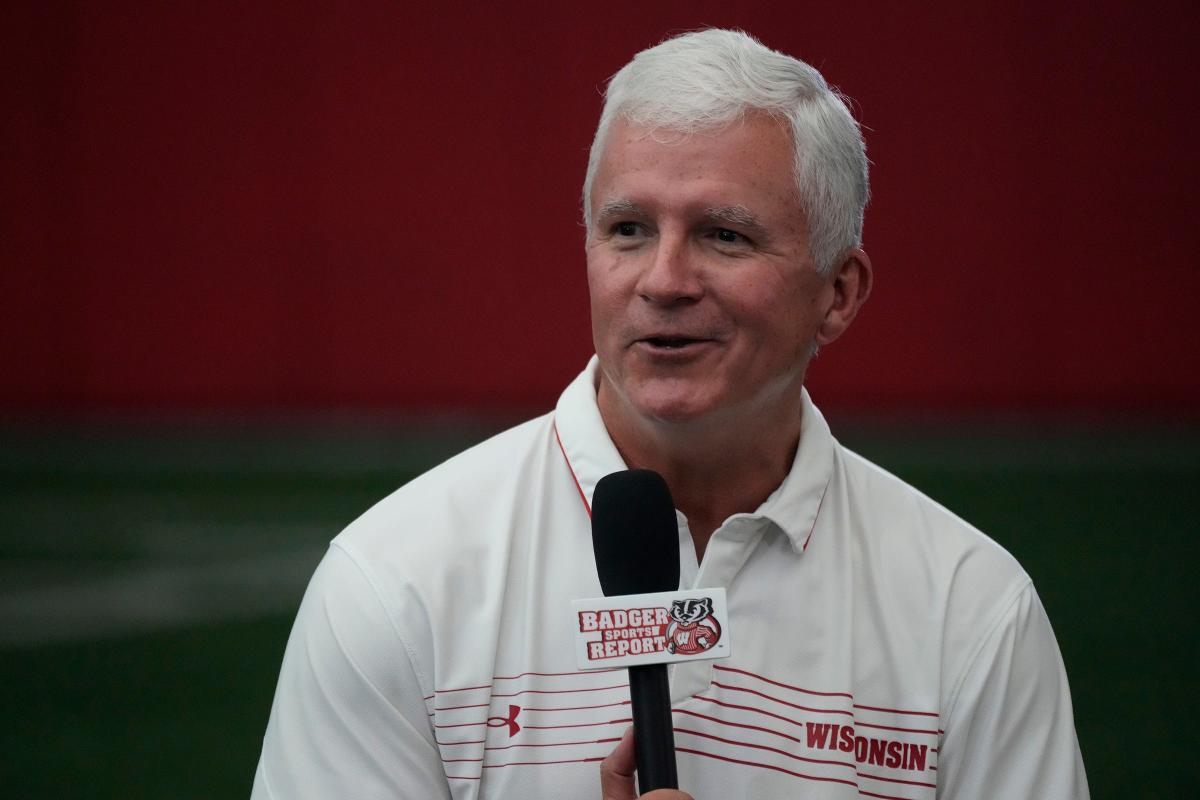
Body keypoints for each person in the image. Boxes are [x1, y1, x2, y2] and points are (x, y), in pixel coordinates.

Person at [251, 29, 1089, 799]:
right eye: (627, 228)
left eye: (725, 235)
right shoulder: (399, 584)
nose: (663, 279)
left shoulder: (970, 612)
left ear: (838, 294)